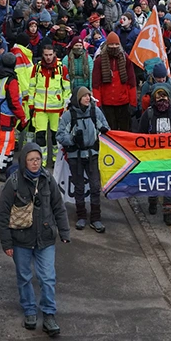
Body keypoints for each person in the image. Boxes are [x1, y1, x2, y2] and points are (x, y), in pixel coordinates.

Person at [0, 143, 70, 336]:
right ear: (24, 162)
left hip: (45, 239)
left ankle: (49, 314)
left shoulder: (48, 180)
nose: (35, 163)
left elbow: (58, 207)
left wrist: (64, 232)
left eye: (38, 159)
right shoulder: (12, 183)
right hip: (21, 240)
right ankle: (29, 310)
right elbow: (2, 214)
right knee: (24, 277)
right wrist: (7, 243)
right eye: (31, 160)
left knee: (47, 278)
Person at [56, 86, 110, 232]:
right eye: (85, 96)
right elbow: (60, 135)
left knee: (94, 187)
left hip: (92, 155)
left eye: (89, 95)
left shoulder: (94, 111)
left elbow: (105, 127)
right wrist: (73, 139)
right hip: (76, 157)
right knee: (79, 187)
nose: (88, 98)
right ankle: (81, 217)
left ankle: (96, 218)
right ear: (78, 98)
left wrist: (104, 131)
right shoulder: (69, 115)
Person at [139, 84, 171, 225]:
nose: (162, 99)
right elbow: (140, 136)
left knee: (169, 183)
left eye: (164, 96)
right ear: (154, 98)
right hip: (153, 157)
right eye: (159, 96)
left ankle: (168, 212)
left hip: (170, 157)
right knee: (153, 182)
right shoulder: (147, 115)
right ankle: (152, 200)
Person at [29, 44, 72, 165]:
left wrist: (65, 106)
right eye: (46, 55)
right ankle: (41, 162)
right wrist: (31, 105)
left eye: (50, 55)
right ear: (42, 55)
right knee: (40, 135)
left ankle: (55, 160)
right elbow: (31, 87)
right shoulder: (36, 68)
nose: (48, 57)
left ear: (54, 54)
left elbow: (67, 90)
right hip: (39, 108)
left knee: (55, 137)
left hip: (56, 109)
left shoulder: (61, 68)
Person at [0, 53, 29, 181]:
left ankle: (6, 166)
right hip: (5, 116)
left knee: (9, 141)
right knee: (6, 143)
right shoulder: (11, 80)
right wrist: (22, 116)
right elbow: (14, 102)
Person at [92, 33, 137, 131]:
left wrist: (133, 103)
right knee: (110, 131)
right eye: (111, 44)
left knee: (125, 131)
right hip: (107, 103)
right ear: (107, 45)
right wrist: (98, 105)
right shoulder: (99, 61)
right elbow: (96, 84)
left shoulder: (126, 59)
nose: (114, 47)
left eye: (116, 44)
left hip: (124, 102)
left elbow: (131, 82)